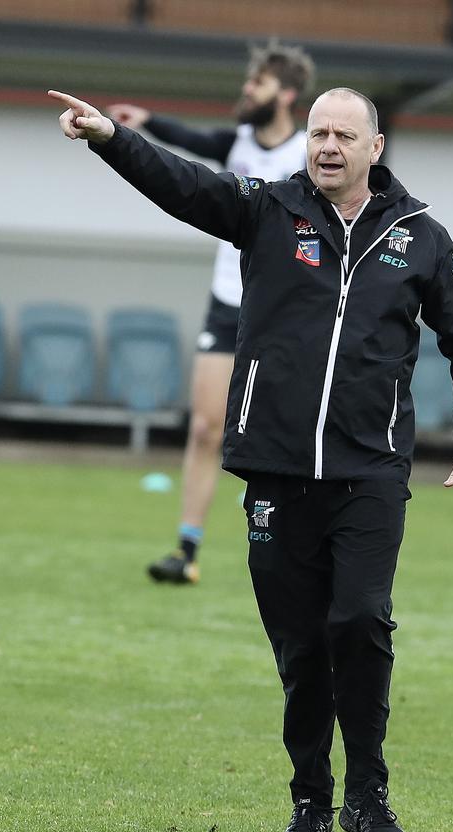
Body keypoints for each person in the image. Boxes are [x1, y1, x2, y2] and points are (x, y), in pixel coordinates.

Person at [49, 85, 453, 832]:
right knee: (300, 649)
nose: (326, 146)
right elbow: (183, 184)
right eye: (317, 133)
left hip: (372, 471)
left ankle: (369, 794)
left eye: (342, 136)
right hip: (277, 470)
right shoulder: (267, 210)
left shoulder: (420, 234)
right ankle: (310, 802)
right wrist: (108, 139)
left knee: (360, 622)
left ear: (374, 148)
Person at [105, 42, 315, 586]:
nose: (247, 90)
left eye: (259, 84)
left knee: (282, 428)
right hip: (228, 304)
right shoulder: (239, 143)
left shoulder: (308, 157)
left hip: (284, 311)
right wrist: (145, 121)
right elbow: (191, 144)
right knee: (204, 427)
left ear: (286, 94)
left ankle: (294, 544)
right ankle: (187, 549)